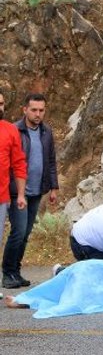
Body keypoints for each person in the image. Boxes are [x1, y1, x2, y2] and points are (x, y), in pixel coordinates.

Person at [2, 93, 59, 290]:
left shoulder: (46, 132)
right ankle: (8, 272)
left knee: (25, 233)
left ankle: (15, 271)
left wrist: (53, 188)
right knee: (18, 231)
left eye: (41, 110)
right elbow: (13, 162)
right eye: (33, 110)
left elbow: (51, 161)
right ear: (24, 109)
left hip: (37, 190)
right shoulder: (14, 130)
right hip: (17, 191)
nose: (37, 114)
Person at [0, 90, 27, 250]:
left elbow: (18, 163)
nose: (0, 107)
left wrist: (21, 194)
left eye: (1, 104)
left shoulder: (11, 130)